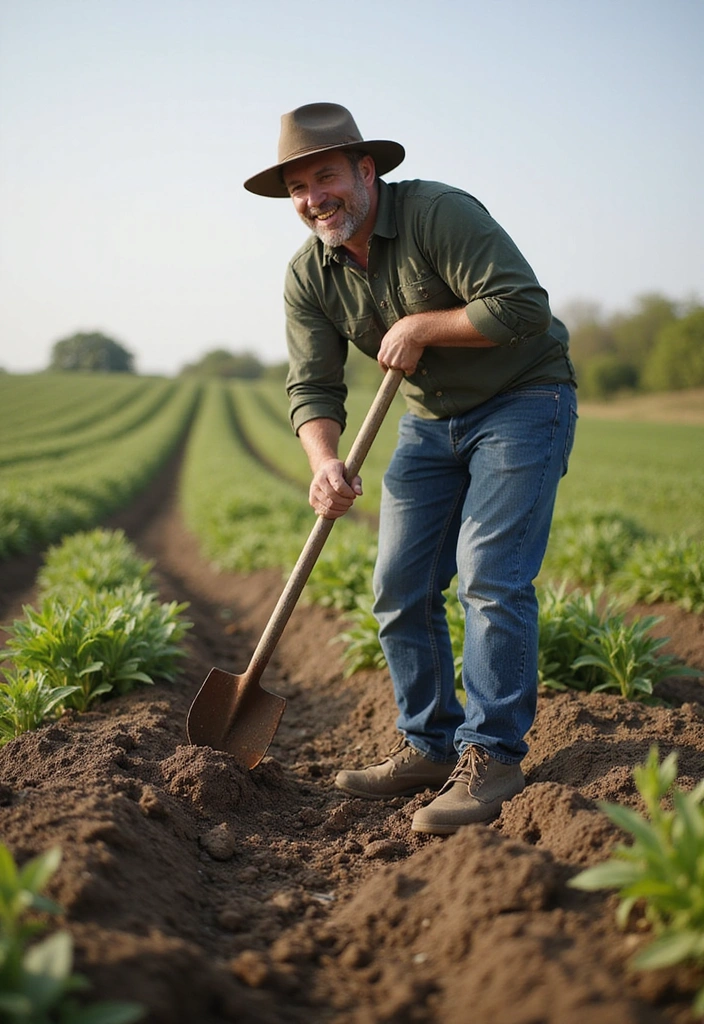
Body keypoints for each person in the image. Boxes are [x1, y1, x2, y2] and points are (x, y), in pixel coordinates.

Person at [244, 102, 577, 835]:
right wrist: (324, 461)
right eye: (298, 187)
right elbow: (313, 385)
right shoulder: (310, 275)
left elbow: (522, 306)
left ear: (365, 171)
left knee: (490, 573)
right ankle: (429, 746)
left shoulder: (437, 214)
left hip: (524, 400)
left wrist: (422, 324)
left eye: (324, 175)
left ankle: (491, 759)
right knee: (398, 586)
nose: (312, 198)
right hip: (431, 423)